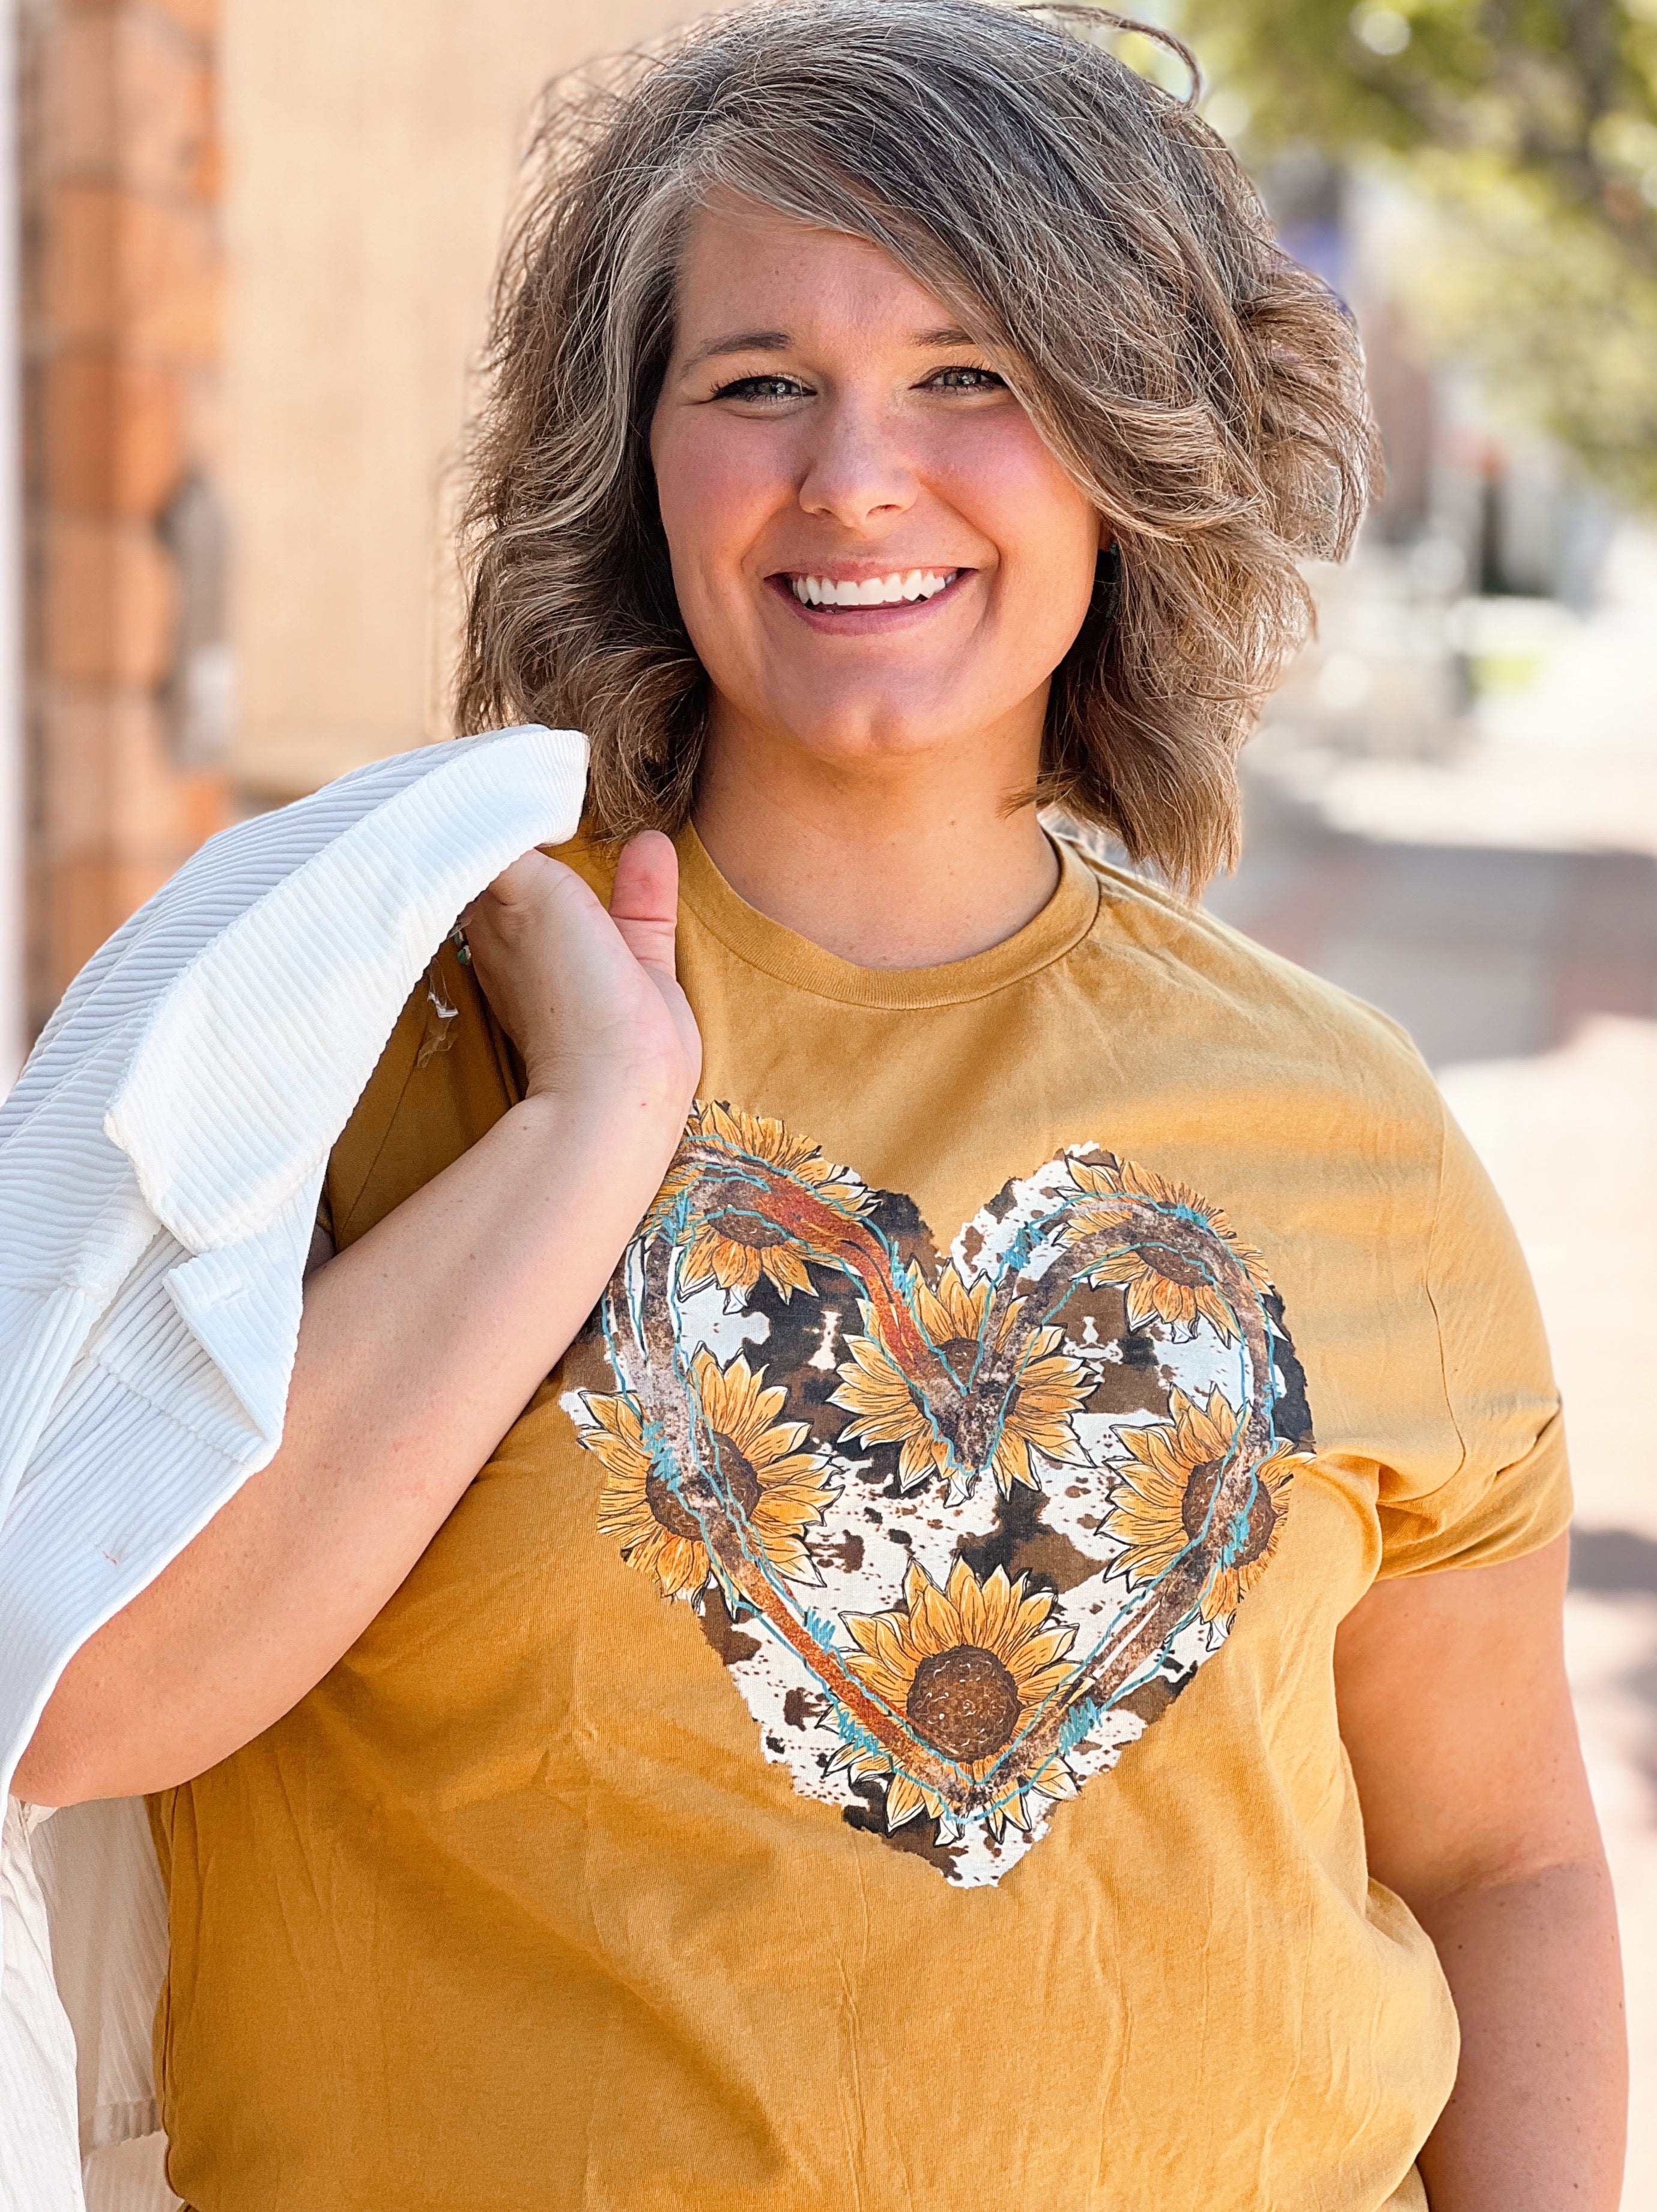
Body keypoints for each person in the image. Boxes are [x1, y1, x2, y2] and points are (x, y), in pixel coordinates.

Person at [14, 2, 1625, 2207]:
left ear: (1126, 442)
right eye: (756, 380)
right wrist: (594, 1128)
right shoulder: (351, 1030)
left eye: (971, 374)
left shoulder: (1349, 1114)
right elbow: (66, 1687)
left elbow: (1500, 1852)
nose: (856, 472)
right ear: (634, 455)